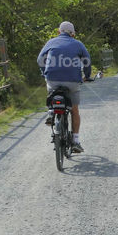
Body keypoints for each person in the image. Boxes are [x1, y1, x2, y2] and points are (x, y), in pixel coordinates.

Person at [38, 21, 92, 153]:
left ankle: (51, 112)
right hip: (72, 81)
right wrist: (87, 75)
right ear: (73, 34)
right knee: (74, 111)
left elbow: (40, 59)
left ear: (59, 32)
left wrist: (44, 72)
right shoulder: (78, 44)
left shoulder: (51, 42)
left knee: (51, 91)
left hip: (53, 79)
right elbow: (87, 60)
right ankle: (75, 141)